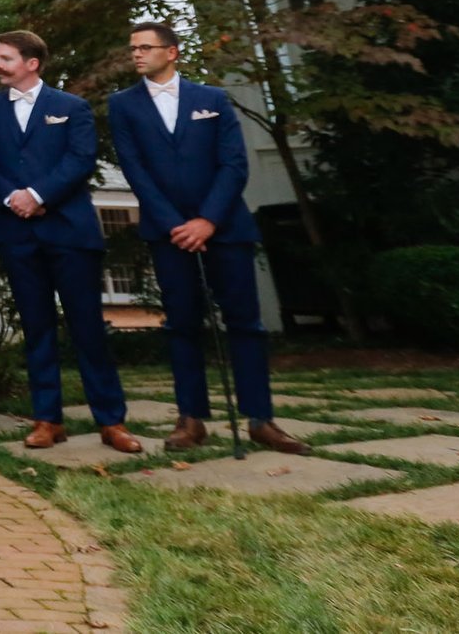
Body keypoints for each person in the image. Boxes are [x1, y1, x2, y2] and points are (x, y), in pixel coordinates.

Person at [105, 23, 308, 455]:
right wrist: (176, 224)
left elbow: (233, 164)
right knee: (181, 325)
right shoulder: (122, 105)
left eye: (145, 47)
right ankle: (191, 418)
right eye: (133, 48)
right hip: (168, 233)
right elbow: (135, 170)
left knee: (246, 325)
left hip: (225, 228)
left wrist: (207, 221)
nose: (137, 54)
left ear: (172, 52)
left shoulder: (212, 99)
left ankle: (260, 418)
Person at [0, 32, 140, 454]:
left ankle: (111, 421)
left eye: (6, 58)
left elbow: (79, 160)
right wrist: (13, 198)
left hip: (68, 232)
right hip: (17, 233)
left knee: (87, 329)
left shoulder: (71, 107)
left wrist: (39, 196)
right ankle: (47, 419)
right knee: (37, 328)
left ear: (32, 63)